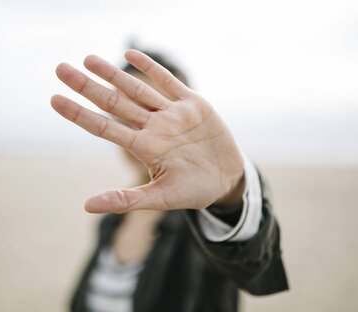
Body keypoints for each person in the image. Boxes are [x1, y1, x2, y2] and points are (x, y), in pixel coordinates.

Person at [50, 49, 288, 312]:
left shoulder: (204, 218)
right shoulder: (110, 220)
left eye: (153, 112)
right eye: (126, 115)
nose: (143, 133)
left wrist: (231, 193)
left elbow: (255, 267)